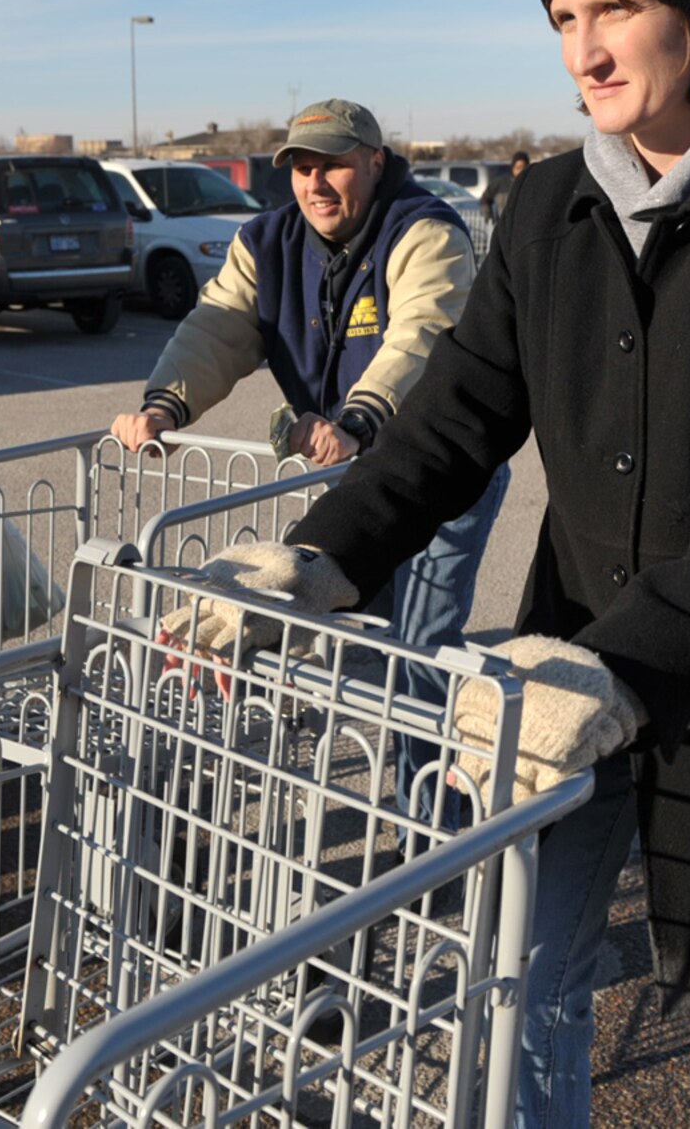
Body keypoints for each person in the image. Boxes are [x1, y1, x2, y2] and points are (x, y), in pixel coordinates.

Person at [167, 0, 690, 1128]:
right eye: (561, 18)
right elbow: (454, 416)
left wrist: (626, 672)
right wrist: (318, 556)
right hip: (560, 667)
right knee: (528, 974)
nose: (584, 51)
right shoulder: (548, 204)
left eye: (613, 6)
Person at [111, 97, 509, 830]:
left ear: (376, 162)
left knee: (416, 657)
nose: (316, 182)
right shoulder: (267, 240)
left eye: (334, 163)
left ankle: (435, 837)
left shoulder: (422, 230)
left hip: (438, 472)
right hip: (351, 477)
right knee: (339, 647)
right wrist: (166, 404)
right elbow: (219, 325)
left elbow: (424, 331)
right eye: (300, 166)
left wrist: (361, 417)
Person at [480, 150, 531, 225]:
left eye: (524, 168)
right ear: (513, 168)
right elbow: (485, 199)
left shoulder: (533, 184)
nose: (521, 171)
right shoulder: (500, 183)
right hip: (503, 227)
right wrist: (488, 216)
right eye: (518, 168)